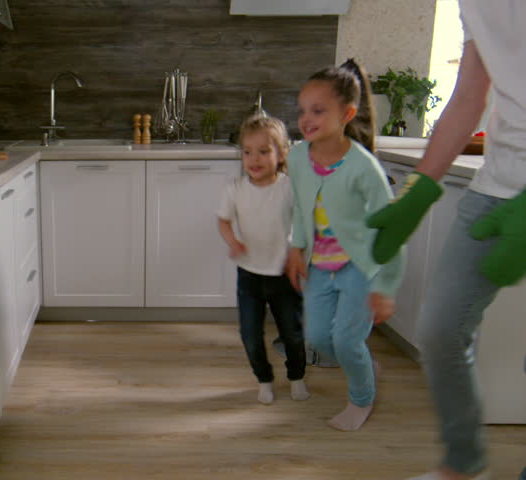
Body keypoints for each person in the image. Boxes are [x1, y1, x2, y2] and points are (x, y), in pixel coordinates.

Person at [366, 2, 526, 478]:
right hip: (496, 185)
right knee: (440, 330)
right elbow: (469, 95)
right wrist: (418, 190)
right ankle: (463, 466)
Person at [284, 59, 404, 431]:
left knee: (347, 340)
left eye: (318, 110)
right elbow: (301, 206)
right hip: (320, 265)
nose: (306, 119)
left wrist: (385, 286)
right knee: (319, 337)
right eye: (302, 110)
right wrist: (295, 247)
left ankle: (360, 400)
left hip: (360, 267)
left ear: (347, 114)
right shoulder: (297, 157)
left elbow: (391, 229)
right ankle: (361, 361)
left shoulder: (363, 167)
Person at [217, 114, 310, 405]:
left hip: (283, 274)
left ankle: (296, 376)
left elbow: (304, 223)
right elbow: (223, 221)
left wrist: (299, 253)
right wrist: (233, 242)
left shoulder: (289, 187)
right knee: (249, 334)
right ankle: (263, 379)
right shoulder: (235, 189)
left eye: (263, 151)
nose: (254, 159)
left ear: (281, 154)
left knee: (292, 334)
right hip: (249, 275)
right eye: (247, 152)